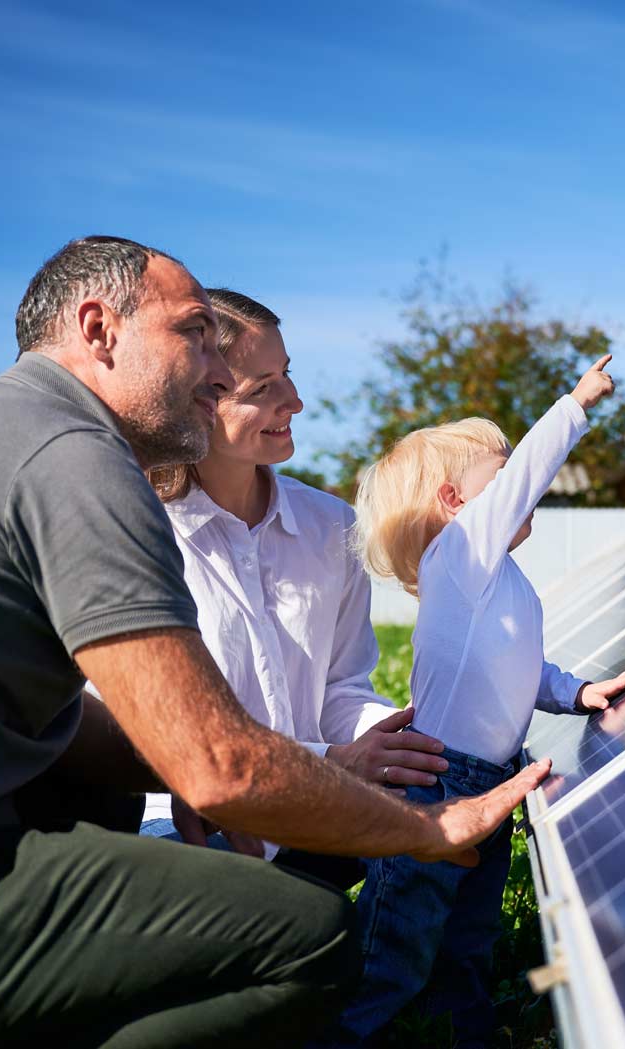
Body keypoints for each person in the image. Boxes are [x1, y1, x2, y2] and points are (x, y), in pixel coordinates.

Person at [0, 236, 549, 1047]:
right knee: (311, 937)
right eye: (193, 334)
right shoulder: (76, 457)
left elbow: (78, 726)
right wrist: (428, 829)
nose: (212, 370)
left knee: (124, 795)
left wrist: (252, 769)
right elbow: (216, 764)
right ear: (99, 329)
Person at [332, 356, 625, 1046]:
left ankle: (466, 1030)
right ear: (454, 501)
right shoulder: (462, 555)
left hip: (492, 780)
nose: (518, 488)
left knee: (468, 932)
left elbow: (521, 668)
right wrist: (575, 403)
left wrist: (578, 692)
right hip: (438, 784)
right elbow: (533, 470)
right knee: (398, 942)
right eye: (501, 478)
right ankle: (345, 1036)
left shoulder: (500, 579)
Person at [139, 288, 449, 882]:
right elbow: (150, 732)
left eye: (287, 375)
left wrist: (395, 739)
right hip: (186, 822)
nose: (296, 401)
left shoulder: (331, 527)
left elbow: (340, 687)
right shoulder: (144, 533)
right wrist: (335, 763)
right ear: (198, 402)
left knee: (449, 802)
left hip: (312, 812)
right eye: (263, 389)